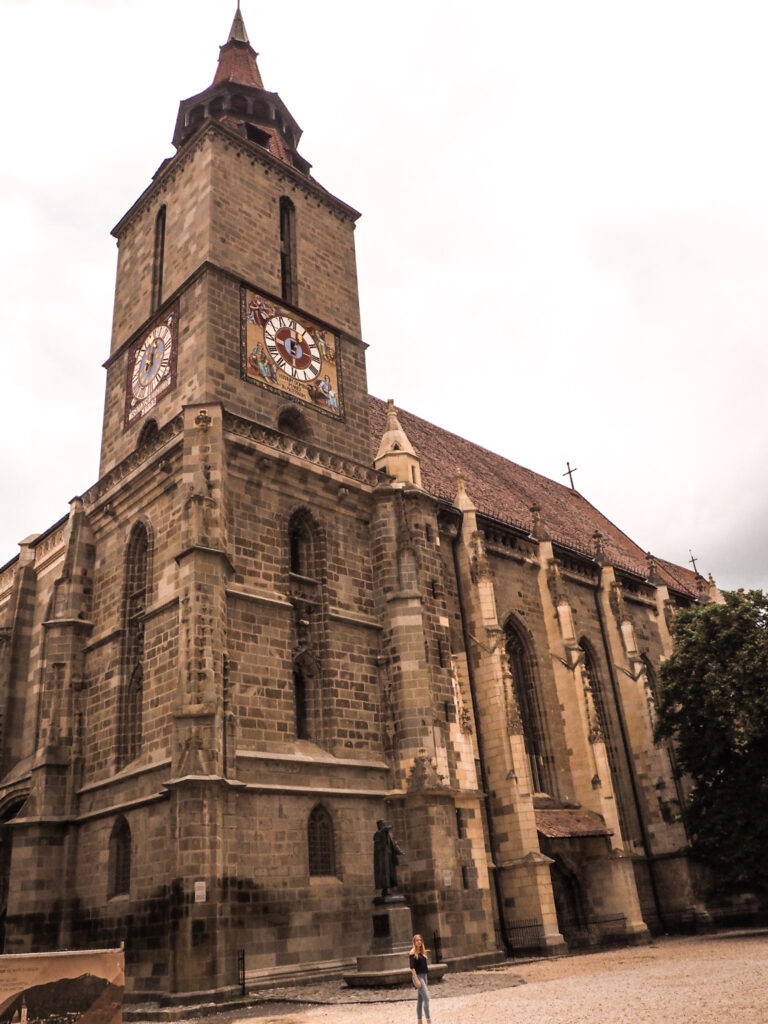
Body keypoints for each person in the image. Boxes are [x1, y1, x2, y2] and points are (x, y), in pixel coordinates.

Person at [372, 819, 406, 898]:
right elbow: (378, 842)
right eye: (381, 825)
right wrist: (384, 830)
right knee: (384, 874)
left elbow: (395, 845)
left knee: (391, 874)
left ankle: (390, 890)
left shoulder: (389, 835)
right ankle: (385, 890)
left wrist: (400, 852)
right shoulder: (378, 834)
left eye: (383, 824)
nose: (383, 826)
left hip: (389, 857)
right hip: (382, 859)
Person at [409, 933, 431, 1024]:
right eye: (417, 940)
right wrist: (416, 980)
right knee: (427, 998)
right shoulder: (412, 953)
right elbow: (412, 968)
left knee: (420, 999)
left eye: (420, 940)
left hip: (424, 976)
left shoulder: (423, 952)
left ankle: (419, 1021)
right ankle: (429, 1021)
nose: (419, 942)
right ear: (414, 942)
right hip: (418, 977)